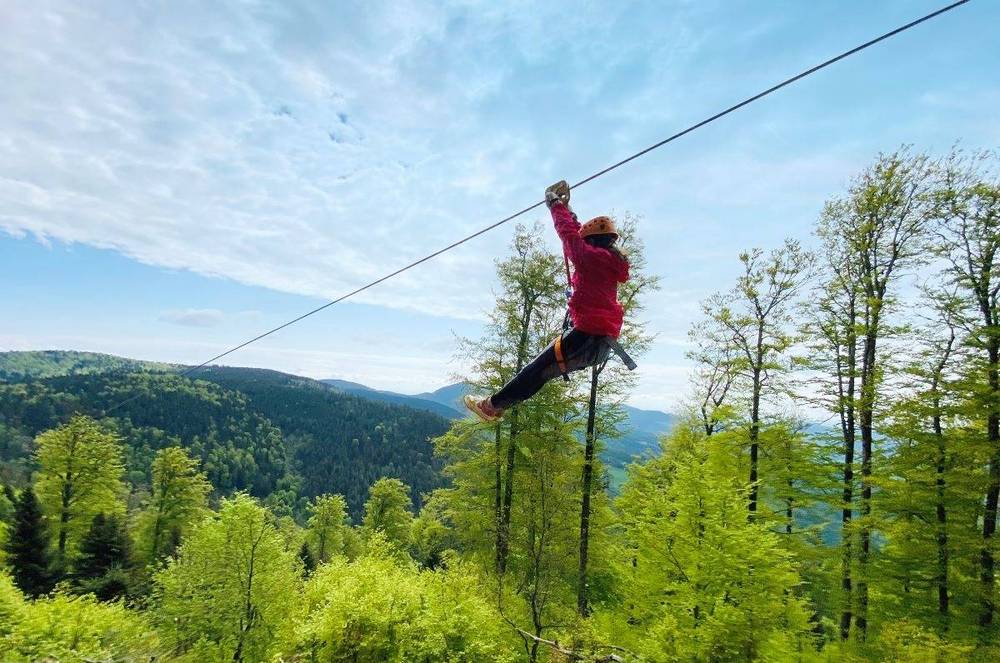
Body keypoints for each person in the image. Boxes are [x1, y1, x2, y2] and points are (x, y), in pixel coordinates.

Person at [464, 181, 630, 422]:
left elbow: (569, 235)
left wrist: (554, 203)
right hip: (597, 343)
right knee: (538, 371)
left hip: (586, 338)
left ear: (592, 242)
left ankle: (492, 406)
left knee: (534, 371)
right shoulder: (608, 260)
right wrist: (568, 208)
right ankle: (495, 405)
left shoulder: (589, 257)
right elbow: (577, 233)